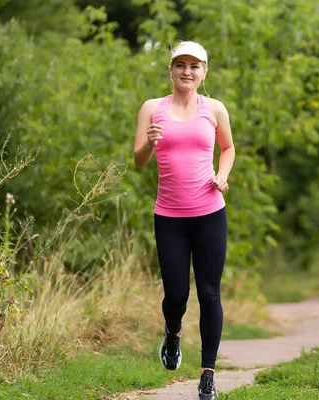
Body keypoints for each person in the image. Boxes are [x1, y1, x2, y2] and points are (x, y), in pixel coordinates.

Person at [133, 41, 234, 400]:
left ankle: (208, 373)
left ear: (204, 71)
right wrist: (148, 142)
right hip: (170, 217)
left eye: (194, 66)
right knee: (176, 294)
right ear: (171, 70)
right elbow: (139, 160)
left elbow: (228, 148)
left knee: (209, 293)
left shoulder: (215, 109)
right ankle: (173, 333)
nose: (187, 71)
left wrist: (223, 175)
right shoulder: (152, 108)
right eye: (180, 65)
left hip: (210, 213)